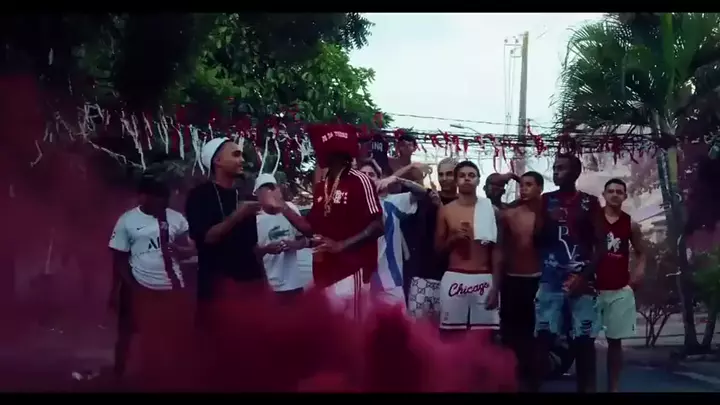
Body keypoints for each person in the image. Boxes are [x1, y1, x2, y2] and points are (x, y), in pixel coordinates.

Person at [530, 153, 605, 393]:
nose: (556, 172)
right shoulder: (546, 200)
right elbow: (535, 240)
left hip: (582, 282)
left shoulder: (590, 203)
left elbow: (601, 245)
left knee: (584, 342)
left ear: (576, 172)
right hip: (551, 281)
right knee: (543, 338)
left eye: (561, 168)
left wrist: (584, 277)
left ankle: (587, 389)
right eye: (554, 168)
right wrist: (546, 223)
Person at [108, 175, 194, 379]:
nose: (163, 204)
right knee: (127, 332)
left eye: (166, 199)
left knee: (170, 333)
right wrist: (121, 289)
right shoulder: (127, 220)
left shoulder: (176, 219)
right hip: (138, 285)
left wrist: (182, 250)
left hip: (171, 286)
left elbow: (191, 249)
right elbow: (119, 258)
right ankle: (118, 374)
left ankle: (166, 374)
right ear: (144, 197)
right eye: (159, 198)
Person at [302, 123, 384, 317]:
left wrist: (342, 245)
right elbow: (311, 228)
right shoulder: (322, 186)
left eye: (319, 148)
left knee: (352, 330)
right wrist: (282, 208)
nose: (317, 153)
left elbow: (378, 226)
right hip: (323, 273)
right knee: (330, 331)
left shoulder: (360, 180)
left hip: (351, 271)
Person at [185, 137, 263, 316]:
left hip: (249, 287)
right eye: (236, 155)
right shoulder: (199, 196)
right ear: (217, 161)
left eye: (241, 155)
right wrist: (238, 215)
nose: (242, 160)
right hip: (217, 289)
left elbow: (252, 247)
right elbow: (207, 238)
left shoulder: (243, 195)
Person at [435, 161, 503, 333]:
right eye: (462, 176)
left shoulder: (491, 210)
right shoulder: (446, 210)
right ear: (456, 180)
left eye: (471, 175)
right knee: (452, 335)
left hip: (484, 278)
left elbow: (497, 251)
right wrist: (453, 239)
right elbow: (438, 249)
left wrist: (496, 287)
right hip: (455, 276)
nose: (467, 179)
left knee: (484, 335)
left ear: (478, 180)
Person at [357, 159, 429, 307]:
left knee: (396, 321)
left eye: (371, 175)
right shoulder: (348, 206)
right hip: (358, 280)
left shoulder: (392, 202)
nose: (367, 178)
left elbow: (422, 192)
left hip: (390, 281)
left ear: (380, 179)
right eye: (363, 175)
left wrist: (398, 180)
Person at [597, 178, 646, 392]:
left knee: (615, 343)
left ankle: (613, 388)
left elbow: (641, 252)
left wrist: (639, 272)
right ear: (604, 195)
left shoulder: (630, 224)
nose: (615, 194)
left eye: (619, 191)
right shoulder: (593, 220)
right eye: (611, 191)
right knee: (583, 341)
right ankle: (588, 385)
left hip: (618, 289)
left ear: (625, 196)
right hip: (591, 289)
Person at [498, 171, 544, 388]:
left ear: (540, 188)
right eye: (522, 185)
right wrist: (512, 178)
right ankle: (511, 377)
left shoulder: (547, 213)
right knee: (511, 333)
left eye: (529, 185)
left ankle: (533, 380)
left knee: (534, 333)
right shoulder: (510, 213)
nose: (523, 189)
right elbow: (494, 193)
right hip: (512, 280)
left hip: (537, 280)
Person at [407, 157, 458, 320]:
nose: (444, 178)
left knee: (447, 328)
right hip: (422, 275)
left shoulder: (464, 204)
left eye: (449, 174)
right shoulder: (427, 198)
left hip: (451, 277)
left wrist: (440, 207)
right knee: (416, 328)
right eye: (441, 174)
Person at [254, 173, 310, 302]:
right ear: (258, 194)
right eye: (265, 189)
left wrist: (295, 245)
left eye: (272, 188)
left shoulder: (290, 209)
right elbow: (252, 253)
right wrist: (267, 249)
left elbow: (306, 237)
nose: (269, 193)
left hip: (294, 284)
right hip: (270, 286)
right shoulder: (256, 218)